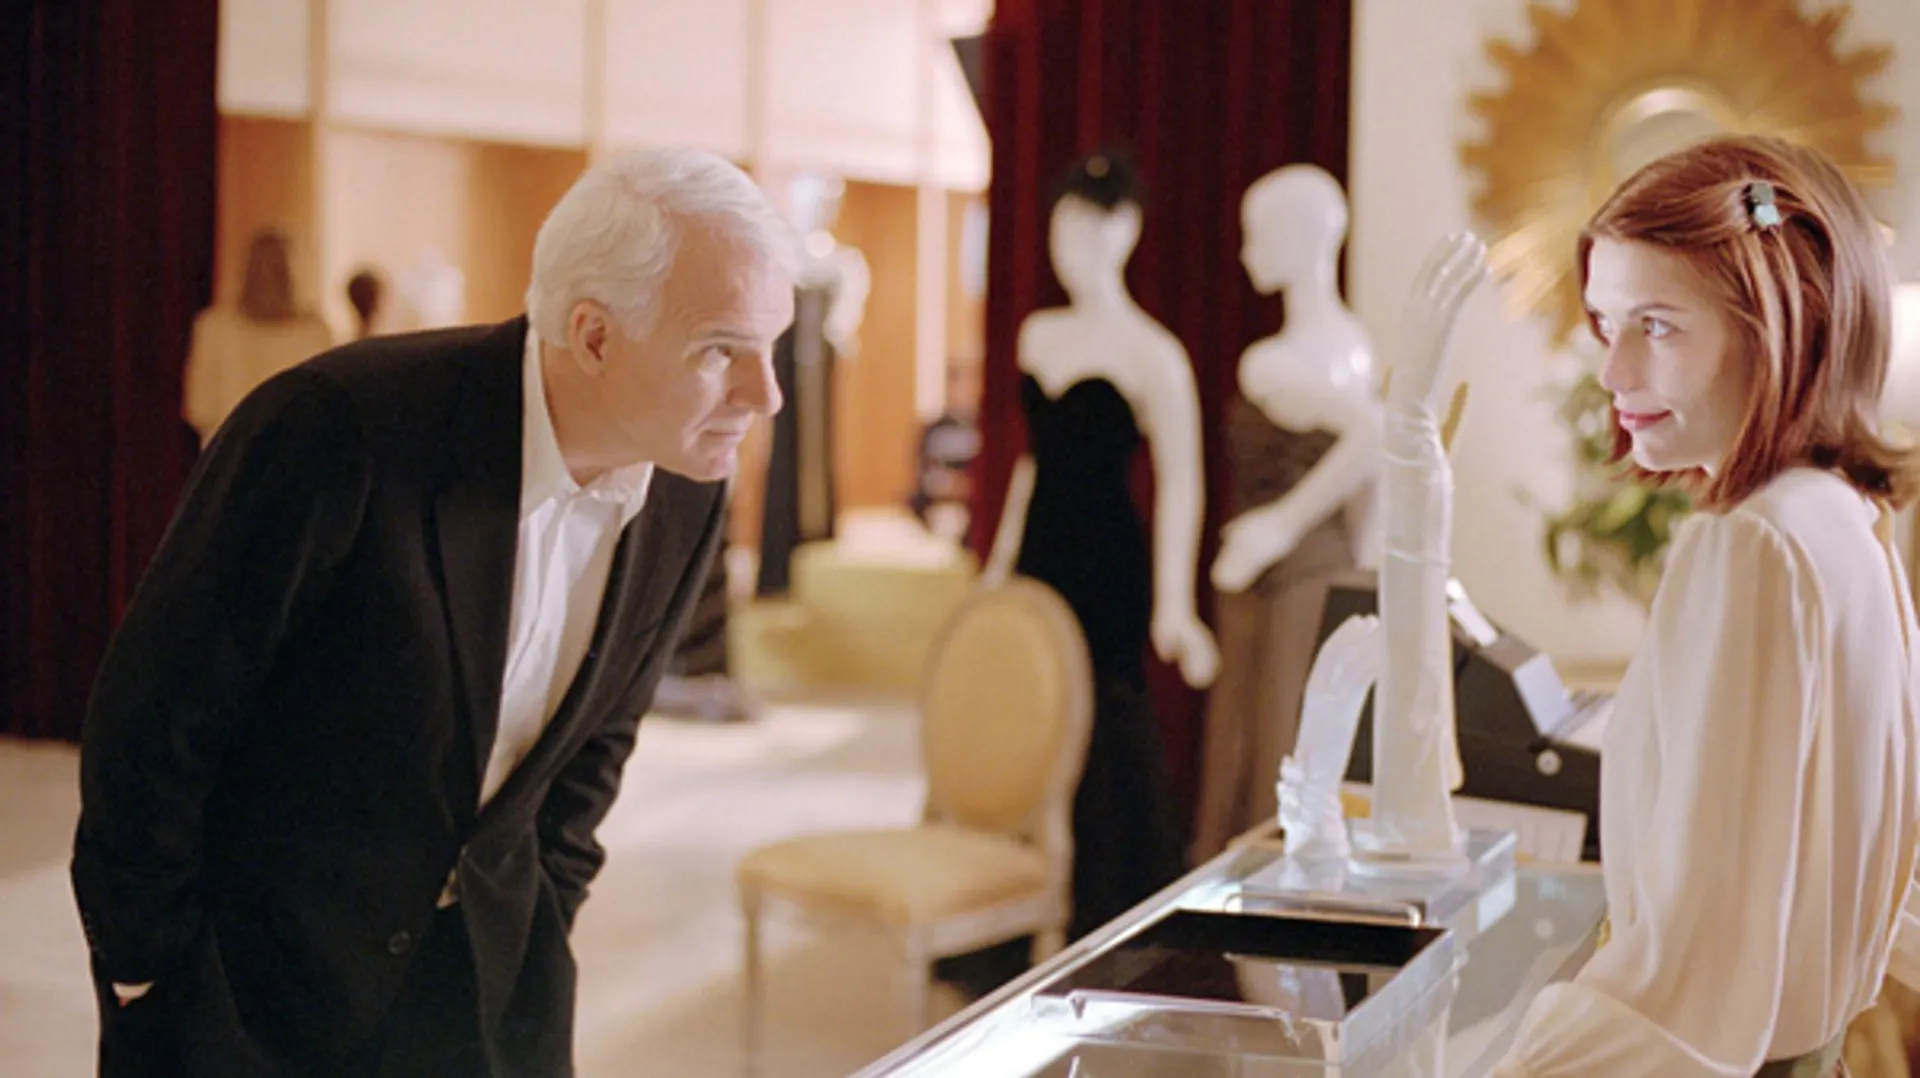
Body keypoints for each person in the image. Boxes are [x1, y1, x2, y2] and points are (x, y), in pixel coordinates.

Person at [70, 147, 798, 1077]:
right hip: (252, 998)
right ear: (594, 336)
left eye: (772, 345)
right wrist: (153, 978)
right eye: (721, 350)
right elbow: (151, 725)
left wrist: (542, 917)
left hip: (486, 995)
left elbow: (594, 751)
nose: (766, 395)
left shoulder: (686, 488)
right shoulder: (336, 428)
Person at [1493, 134, 1920, 1076]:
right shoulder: (1852, 519)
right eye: (1606, 324)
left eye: (1657, 326)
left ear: (1782, 325)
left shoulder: (1754, 547)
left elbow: (1690, 969)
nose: (1613, 374)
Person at [181, 229, 334, 444]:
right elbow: (200, 408)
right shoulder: (214, 329)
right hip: (232, 453)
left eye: (276, 267)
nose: (268, 276)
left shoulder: (313, 333)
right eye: (262, 266)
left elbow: (323, 408)